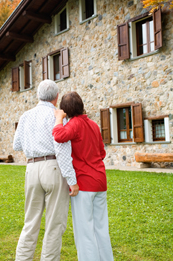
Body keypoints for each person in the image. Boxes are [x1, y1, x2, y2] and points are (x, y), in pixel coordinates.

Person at [13, 80, 79, 261]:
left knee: (30, 222)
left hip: (32, 168)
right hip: (53, 167)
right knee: (54, 224)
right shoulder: (58, 116)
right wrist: (72, 180)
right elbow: (62, 150)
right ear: (56, 97)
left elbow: (16, 144)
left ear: (38, 95)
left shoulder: (26, 116)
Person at [52, 92, 114, 261]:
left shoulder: (74, 124)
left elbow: (59, 136)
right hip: (100, 181)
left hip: (84, 185)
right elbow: (102, 153)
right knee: (101, 227)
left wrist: (58, 119)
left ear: (65, 110)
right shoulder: (93, 124)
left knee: (84, 230)